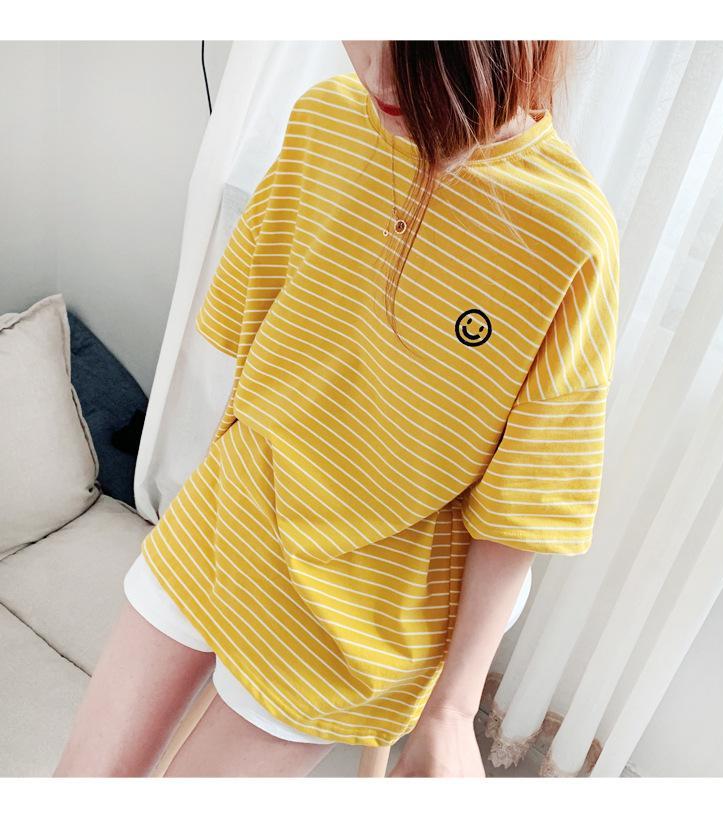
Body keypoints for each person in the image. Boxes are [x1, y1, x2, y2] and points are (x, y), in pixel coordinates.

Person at [54, 40, 619, 778]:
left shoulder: (565, 235)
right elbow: (249, 337)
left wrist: (452, 708)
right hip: (227, 516)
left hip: (357, 610)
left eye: (412, 43)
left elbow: (525, 506)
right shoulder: (325, 120)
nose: (377, 73)